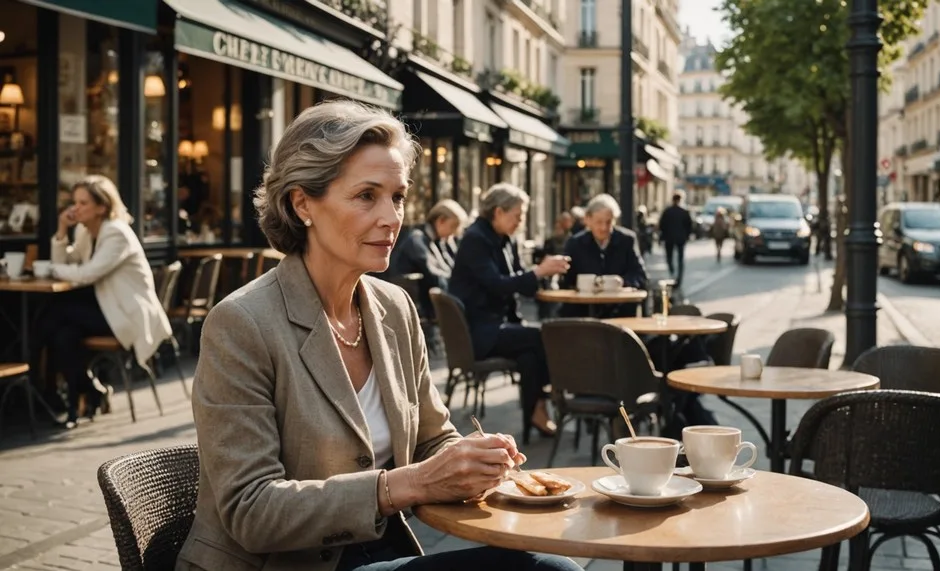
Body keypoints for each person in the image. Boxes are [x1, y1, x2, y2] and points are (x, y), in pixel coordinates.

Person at [176, 102, 582, 571]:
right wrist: (408, 485)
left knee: (547, 561)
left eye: (398, 196)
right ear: (301, 203)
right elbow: (251, 511)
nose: (391, 218)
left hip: (382, 551)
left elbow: (434, 438)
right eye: (366, 195)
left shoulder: (393, 307)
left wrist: (470, 459)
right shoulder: (242, 323)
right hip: (287, 564)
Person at [36, 175, 171, 428]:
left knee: (55, 314)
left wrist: (51, 269)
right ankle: (84, 398)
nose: (75, 209)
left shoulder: (116, 233)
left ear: (102, 207)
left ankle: (39, 380)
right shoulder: (86, 231)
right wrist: (62, 230)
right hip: (105, 310)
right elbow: (69, 263)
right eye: (74, 202)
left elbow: (87, 274)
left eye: (83, 203)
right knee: (63, 336)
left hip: (126, 315)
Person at [449, 183, 571, 444]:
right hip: (479, 331)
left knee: (529, 356)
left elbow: (522, 285)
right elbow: (498, 284)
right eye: (518, 215)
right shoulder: (475, 240)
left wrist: (543, 275)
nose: (521, 221)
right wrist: (539, 272)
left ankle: (534, 414)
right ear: (498, 212)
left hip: (500, 326)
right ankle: (547, 405)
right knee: (542, 336)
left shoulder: (506, 239)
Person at [560, 194, 647, 318]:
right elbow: (566, 280)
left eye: (609, 222)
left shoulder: (627, 240)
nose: (604, 227)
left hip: (620, 311)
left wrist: (623, 283)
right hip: (584, 312)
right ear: (588, 220)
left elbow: (640, 275)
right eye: (599, 222)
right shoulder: (575, 243)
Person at [387, 199, 467, 316]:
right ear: (441, 221)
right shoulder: (417, 240)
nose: (453, 233)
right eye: (453, 226)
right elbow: (436, 276)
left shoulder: (436, 241)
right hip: (419, 309)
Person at [657, 193, 692, 286]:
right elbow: (689, 226)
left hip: (669, 238)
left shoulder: (667, 211)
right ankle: (679, 277)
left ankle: (672, 272)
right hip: (680, 238)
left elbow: (662, 225)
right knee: (680, 259)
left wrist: (661, 238)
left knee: (669, 257)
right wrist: (687, 236)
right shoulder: (684, 212)